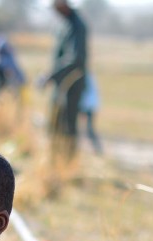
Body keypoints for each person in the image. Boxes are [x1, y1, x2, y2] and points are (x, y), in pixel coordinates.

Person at [39, 0, 88, 159]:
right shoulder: (63, 24)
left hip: (71, 84)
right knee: (55, 124)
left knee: (68, 124)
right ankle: (54, 158)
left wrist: (51, 75)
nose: (54, 10)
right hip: (60, 83)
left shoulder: (77, 25)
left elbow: (75, 58)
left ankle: (68, 162)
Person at [80, 72, 102, 154]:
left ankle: (98, 149)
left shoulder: (85, 76)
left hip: (88, 105)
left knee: (89, 129)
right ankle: (97, 149)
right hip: (89, 104)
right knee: (88, 129)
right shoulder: (89, 75)